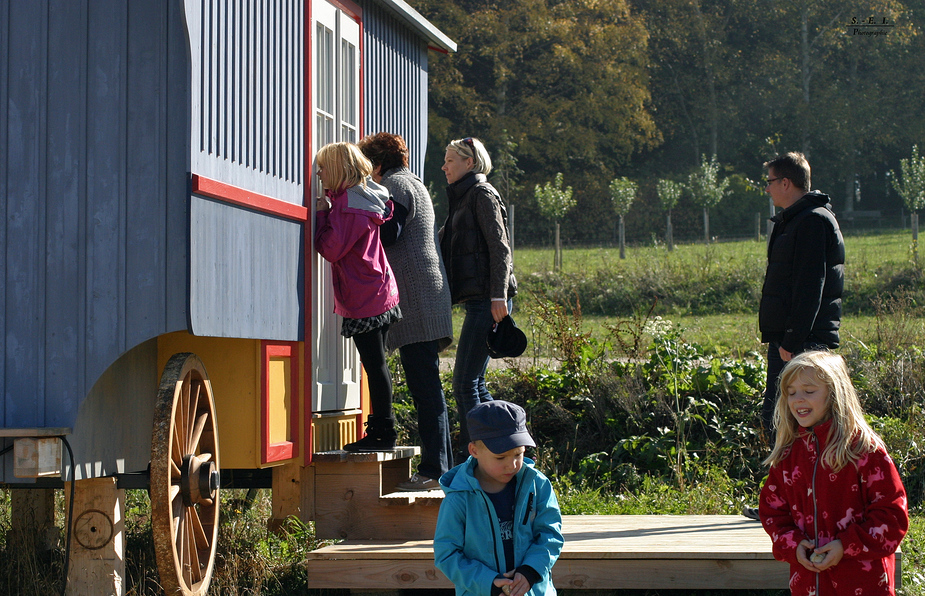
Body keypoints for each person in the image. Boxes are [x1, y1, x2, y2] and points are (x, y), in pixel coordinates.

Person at [758, 350, 908, 595]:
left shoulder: (865, 450)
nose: (798, 399)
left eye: (809, 391)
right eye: (791, 392)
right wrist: (795, 546)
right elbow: (773, 513)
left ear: (834, 393)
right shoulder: (788, 454)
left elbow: (892, 517)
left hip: (865, 582)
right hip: (808, 582)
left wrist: (845, 546)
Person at [357, 132, 454, 490]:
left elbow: (390, 232)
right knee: (429, 387)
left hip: (419, 299)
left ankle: (433, 470)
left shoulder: (395, 186)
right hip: (427, 295)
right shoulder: (412, 182)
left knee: (425, 387)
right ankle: (441, 469)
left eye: (368, 168)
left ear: (379, 164)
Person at [314, 142, 402, 451]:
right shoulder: (362, 198)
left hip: (365, 294)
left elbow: (330, 248)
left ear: (338, 170)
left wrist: (323, 215)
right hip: (378, 289)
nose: (319, 173)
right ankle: (383, 431)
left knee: (374, 365)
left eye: (323, 167)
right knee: (377, 365)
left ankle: (383, 435)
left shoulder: (348, 207)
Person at [434, 400, 563, 596]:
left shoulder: (537, 484)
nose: (512, 465)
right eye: (501, 457)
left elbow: (550, 534)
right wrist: (487, 583)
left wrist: (530, 571)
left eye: (518, 454)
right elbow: (447, 555)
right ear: (474, 451)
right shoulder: (458, 498)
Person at [439, 137, 517, 459]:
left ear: (469, 163)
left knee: (464, 385)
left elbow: (501, 248)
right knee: (477, 384)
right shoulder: (462, 197)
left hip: (490, 301)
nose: (444, 167)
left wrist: (498, 295)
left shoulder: (482, 194)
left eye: (450, 161)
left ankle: (478, 460)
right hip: (480, 301)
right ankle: (506, 447)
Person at [757, 152, 845, 439]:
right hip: (790, 338)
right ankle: (786, 482)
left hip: (802, 341)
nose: (767, 188)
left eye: (769, 182)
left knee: (793, 421)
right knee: (778, 416)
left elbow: (810, 285)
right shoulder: (794, 220)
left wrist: (793, 338)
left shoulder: (811, 221)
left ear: (786, 183)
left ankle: (802, 481)